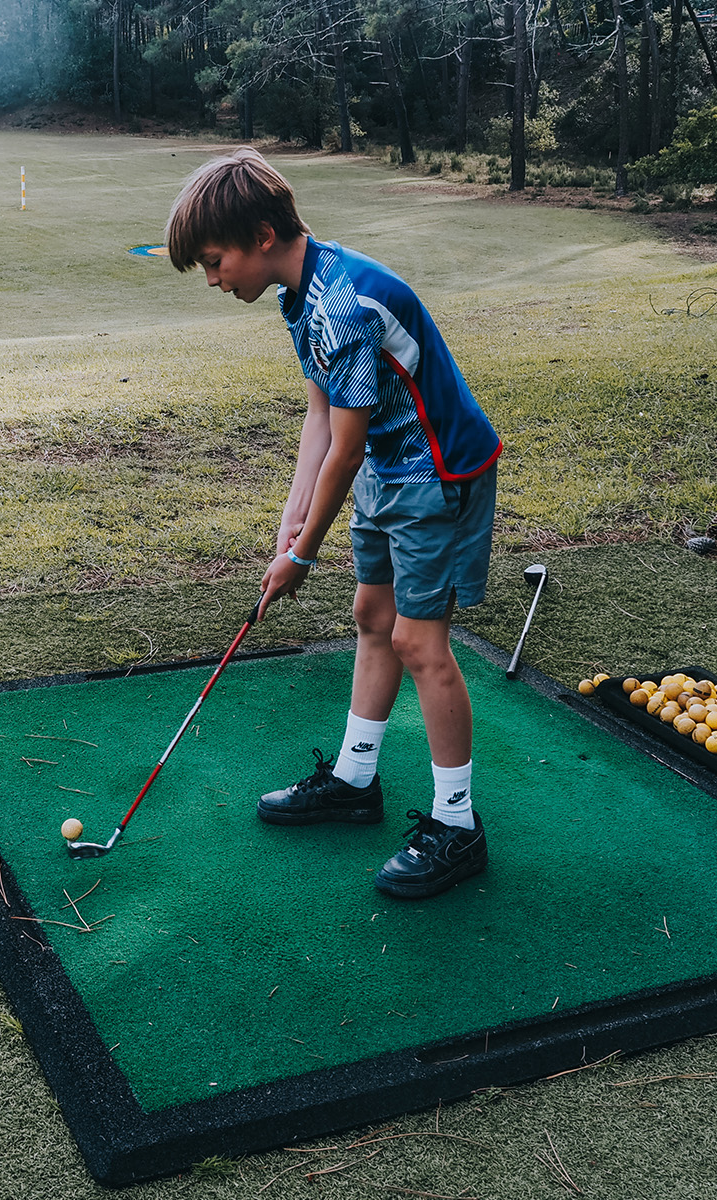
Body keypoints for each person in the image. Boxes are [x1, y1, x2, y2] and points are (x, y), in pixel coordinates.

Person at [165, 148, 502, 900]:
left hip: (437, 472)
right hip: (390, 463)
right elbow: (321, 415)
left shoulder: (341, 305)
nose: (215, 280)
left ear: (258, 235)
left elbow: (344, 451)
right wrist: (293, 512)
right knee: (372, 616)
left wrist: (303, 556)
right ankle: (355, 780)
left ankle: (457, 826)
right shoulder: (299, 293)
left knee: (419, 639)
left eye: (215, 262)